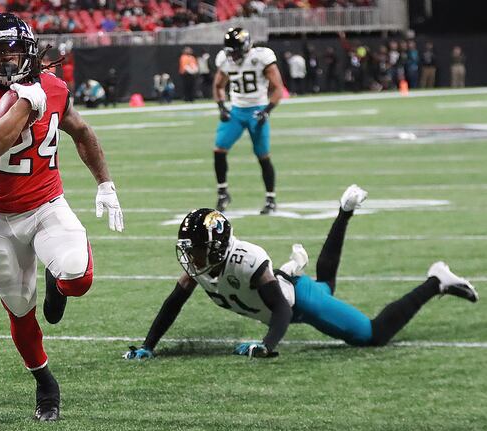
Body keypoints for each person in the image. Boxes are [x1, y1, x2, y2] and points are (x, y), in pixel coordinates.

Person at [0, 13, 124, 421]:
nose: (7, 60)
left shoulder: (53, 87)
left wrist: (104, 183)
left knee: (77, 278)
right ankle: (45, 383)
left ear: (28, 53)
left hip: (46, 206)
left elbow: (80, 130)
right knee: (19, 309)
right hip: (0, 220)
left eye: (14, 51)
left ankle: (56, 282)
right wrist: (28, 101)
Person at [124, 185, 479, 361]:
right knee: (325, 285)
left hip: (298, 303)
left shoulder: (247, 258)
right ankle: (343, 212)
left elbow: (281, 310)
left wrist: (266, 346)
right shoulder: (200, 267)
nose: (192, 257)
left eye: (197, 249)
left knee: (372, 335)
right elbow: (173, 303)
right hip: (288, 293)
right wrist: (148, 347)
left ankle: (436, 280)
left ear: (217, 247)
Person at [212, 27, 283, 215]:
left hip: (257, 111)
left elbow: (278, 88)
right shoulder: (225, 59)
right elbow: (218, 85)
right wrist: (221, 106)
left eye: (235, 50)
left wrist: (267, 110)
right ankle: (222, 193)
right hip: (236, 111)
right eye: (230, 51)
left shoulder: (262, 57)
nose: (232, 55)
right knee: (219, 148)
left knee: (263, 155)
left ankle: (270, 198)